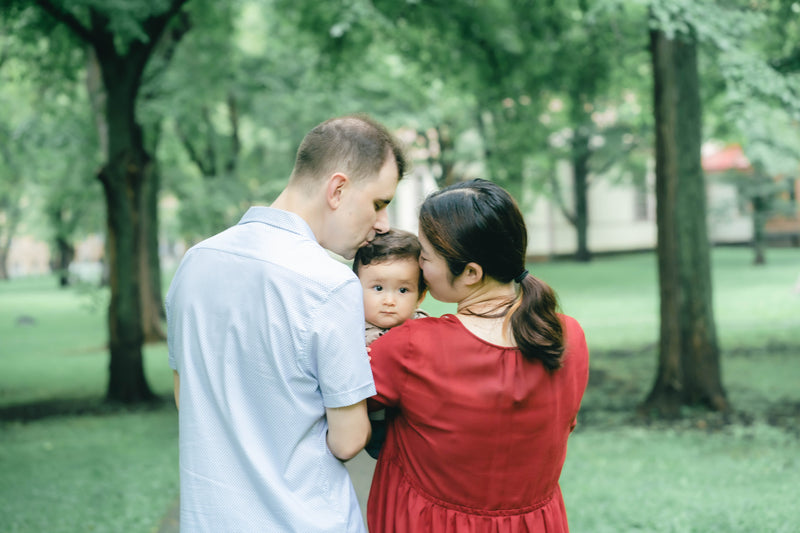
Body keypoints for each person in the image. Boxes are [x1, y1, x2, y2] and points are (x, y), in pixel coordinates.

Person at [166, 114, 407, 533]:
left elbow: (187, 399)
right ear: (337, 189)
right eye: (379, 203)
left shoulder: (194, 262)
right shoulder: (331, 285)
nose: (383, 223)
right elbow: (348, 440)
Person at [366, 179, 590, 533]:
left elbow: (331, 402)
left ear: (471, 273)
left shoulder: (409, 347)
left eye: (425, 255)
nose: (418, 265)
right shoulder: (568, 337)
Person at [351, 229, 429, 458]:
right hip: (369, 426)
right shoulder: (349, 332)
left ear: (420, 296)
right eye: (378, 288)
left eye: (403, 290)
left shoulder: (424, 328)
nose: (389, 300)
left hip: (415, 426)